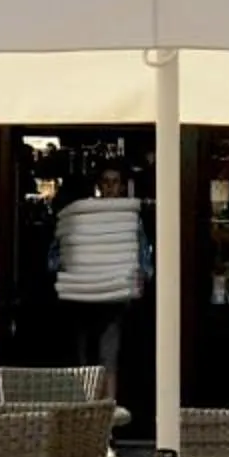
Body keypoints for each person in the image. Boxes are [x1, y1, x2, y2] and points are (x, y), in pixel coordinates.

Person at [53, 163, 147, 383]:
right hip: (81, 298)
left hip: (115, 300)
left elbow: (142, 251)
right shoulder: (83, 215)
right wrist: (66, 269)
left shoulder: (130, 219)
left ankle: (108, 409)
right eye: (105, 182)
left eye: (115, 182)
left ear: (122, 187)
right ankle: (86, 410)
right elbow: (57, 251)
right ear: (99, 186)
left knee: (109, 356)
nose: (110, 187)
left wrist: (142, 276)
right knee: (82, 359)